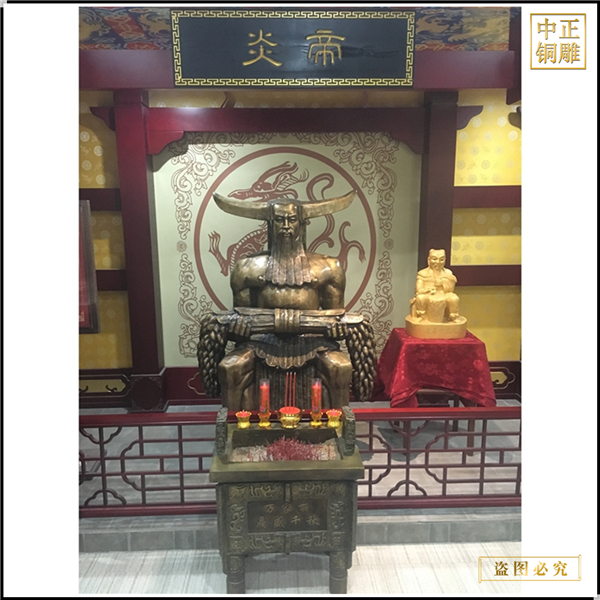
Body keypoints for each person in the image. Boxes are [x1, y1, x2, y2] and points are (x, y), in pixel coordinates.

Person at [199, 191, 374, 411]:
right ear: (270, 224)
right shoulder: (247, 267)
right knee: (230, 368)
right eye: (279, 220)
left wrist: (335, 330)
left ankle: (337, 425)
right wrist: (238, 329)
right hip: (261, 342)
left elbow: (334, 318)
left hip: (313, 342)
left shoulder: (328, 267)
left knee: (339, 367)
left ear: (302, 223)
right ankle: (235, 425)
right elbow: (240, 324)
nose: (286, 226)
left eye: (291, 220)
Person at [410, 249, 460, 323]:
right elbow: (419, 288)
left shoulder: (448, 273)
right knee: (420, 298)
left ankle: (453, 317)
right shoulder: (423, 273)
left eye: (441, 259)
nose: (438, 262)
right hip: (428, 294)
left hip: (444, 293)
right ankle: (422, 317)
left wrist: (443, 282)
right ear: (429, 260)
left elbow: (451, 289)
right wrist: (427, 290)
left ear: (445, 260)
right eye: (434, 259)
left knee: (454, 298)